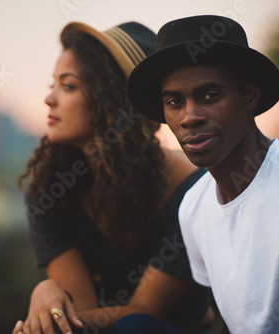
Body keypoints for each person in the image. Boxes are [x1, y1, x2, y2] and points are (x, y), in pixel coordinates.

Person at [125, 15, 279, 334]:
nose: (189, 117)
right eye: (174, 102)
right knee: (135, 327)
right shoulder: (194, 205)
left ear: (250, 97)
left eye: (209, 96)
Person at [14, 21, 211, 334]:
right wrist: (47, 293)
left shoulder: (195, 191)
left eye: (68, 86)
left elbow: (145, 312)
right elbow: (80, 309)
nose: (49, 99)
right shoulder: (49, 192)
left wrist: (48, 319)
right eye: (52, 85)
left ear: (113, 101)